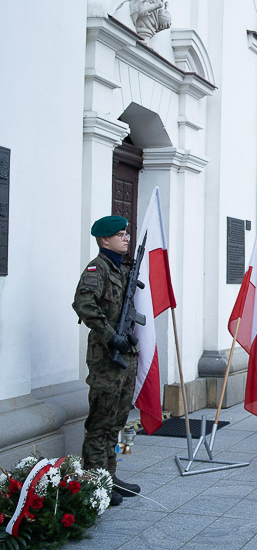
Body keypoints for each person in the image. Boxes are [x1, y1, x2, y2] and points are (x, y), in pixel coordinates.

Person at [72, 216, 142, 507]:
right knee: (100, 424)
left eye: (126, 234)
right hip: (106, 360)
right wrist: (112, 337)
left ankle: (109, 475)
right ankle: (94, 482)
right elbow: (83, 304)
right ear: (105, 240)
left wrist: (129, 338)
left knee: (117, 422)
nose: (126, 238)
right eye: (120, 234)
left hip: (124, 359)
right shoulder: (96, 269)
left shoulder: (121, 269)